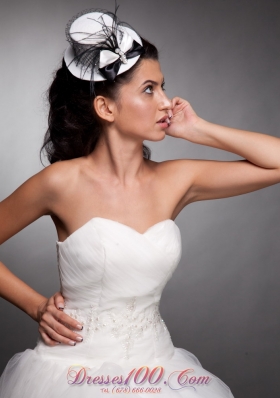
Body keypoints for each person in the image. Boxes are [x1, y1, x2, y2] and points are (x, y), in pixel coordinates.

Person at [0, 6, 279, 398]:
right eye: (150, 90)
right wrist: (35, 305)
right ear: (106, 108)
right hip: (71, 374)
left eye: (163, 86)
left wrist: (199, 130)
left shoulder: (176, 180)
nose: (166, 102)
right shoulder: (61, 182)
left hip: (159, 372)